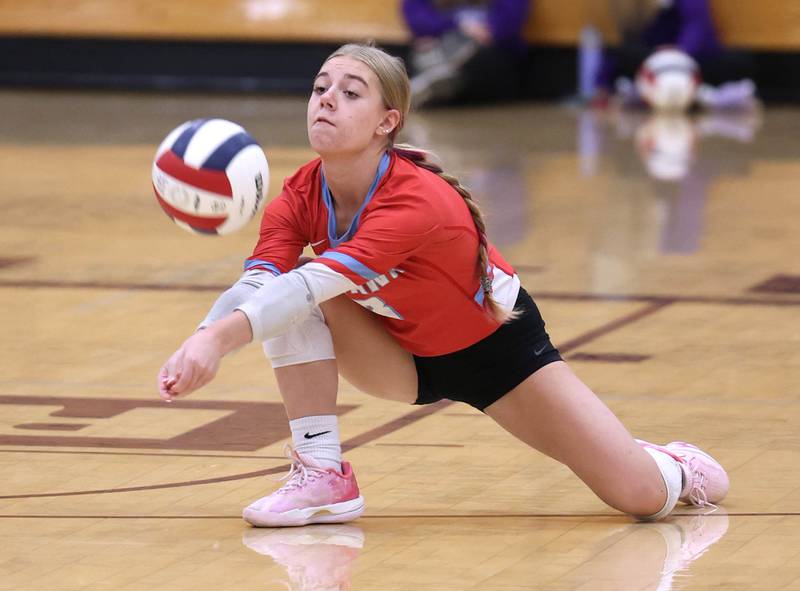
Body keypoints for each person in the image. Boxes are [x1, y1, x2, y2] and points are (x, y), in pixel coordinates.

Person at [157, 43, 729, 528]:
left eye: (350, 92)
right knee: (283, 296)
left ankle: (665, 463)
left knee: (639, 499)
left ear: (388, 121)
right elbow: (260, 287)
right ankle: (324, 473)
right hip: (400, 355)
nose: (326, 98)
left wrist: (216, 343)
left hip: (499, 351)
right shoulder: (298, 197)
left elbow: (309, 284)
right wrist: (206, 332)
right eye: (319, 87)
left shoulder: (416, 201)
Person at [594, 0, 756, 110]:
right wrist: (603, 85)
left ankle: (703, 94)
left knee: (739, 60)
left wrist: (678, 55)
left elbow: (697, 26)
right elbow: (632, 40)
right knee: (624, 53)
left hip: (694, 58)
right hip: (655, 60)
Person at [401, 0, 531, 107]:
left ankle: (438, 82)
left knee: (481, 58)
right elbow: (416, 19)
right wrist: (457, 26)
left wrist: (484, 32)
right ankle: (437, 81)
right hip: (443, 45)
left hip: (489, 54)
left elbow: (507, 25)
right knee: (423, 50)